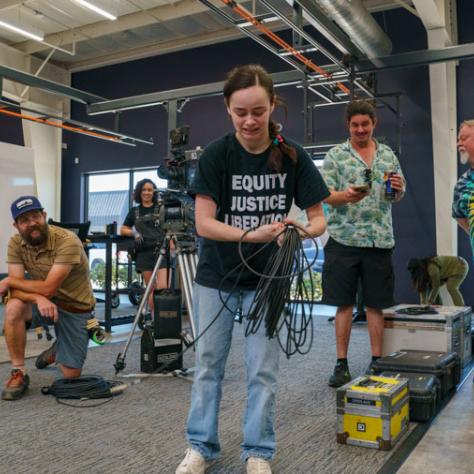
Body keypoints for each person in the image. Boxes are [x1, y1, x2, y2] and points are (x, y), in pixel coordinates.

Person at [175, 64, 328, 474]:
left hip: (268, 283)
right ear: (228, 108)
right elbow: (204, 223)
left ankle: (258, 451)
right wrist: (253, 236)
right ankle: (200, 447)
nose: (249, 120)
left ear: (272, 106)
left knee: (262, 369)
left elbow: (318, 220)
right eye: (240, 111)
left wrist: (300, 227)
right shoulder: (216, 155)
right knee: (209, 364)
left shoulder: (293, 155)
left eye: (258, 111)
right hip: (217, 277)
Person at [321, 100, 405, 388]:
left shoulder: (388, 156)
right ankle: (341, 364)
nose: (360, 129)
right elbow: (324, 194)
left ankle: (377, 361)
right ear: (348, 126)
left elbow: (396, 194)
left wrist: (399, 189)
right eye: (355, 125)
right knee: (343, 304)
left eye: (365, 124)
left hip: (379, 240)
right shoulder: (335, 156)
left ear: (374, 124)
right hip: (344, 238)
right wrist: (345, 196)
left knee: (376, 305)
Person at [0, 196, 96, 400]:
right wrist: (38, 299)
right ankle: (18, 371)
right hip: (44, 303)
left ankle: (58, 348)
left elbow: (47, 287)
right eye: (24, 220)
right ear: (16, 225)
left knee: (71, 375)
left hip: (75, 308)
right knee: (14, 306)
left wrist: (9, 282)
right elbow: (16, 290)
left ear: (44, 216)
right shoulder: (16, 242)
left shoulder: (67, 240)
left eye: (35, 216)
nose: (32, 222)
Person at [120, 178, 169, 312]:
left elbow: (169, 229)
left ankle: (161, 319)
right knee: (151, 288)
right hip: (143, 252)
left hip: (161, 251)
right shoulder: (134, 211)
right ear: (139, 192)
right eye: (144, 190)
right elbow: (123, 229)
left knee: (162, 288)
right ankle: (154, 321)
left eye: (150, 190)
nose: (147, 192)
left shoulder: (161, 209)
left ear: (154, 192)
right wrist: (134, 233)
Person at [452, 119, 474, 259]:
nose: (458, 144)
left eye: (464, 138)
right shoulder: (462, 183)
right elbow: (460, 217)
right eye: (458, 139)